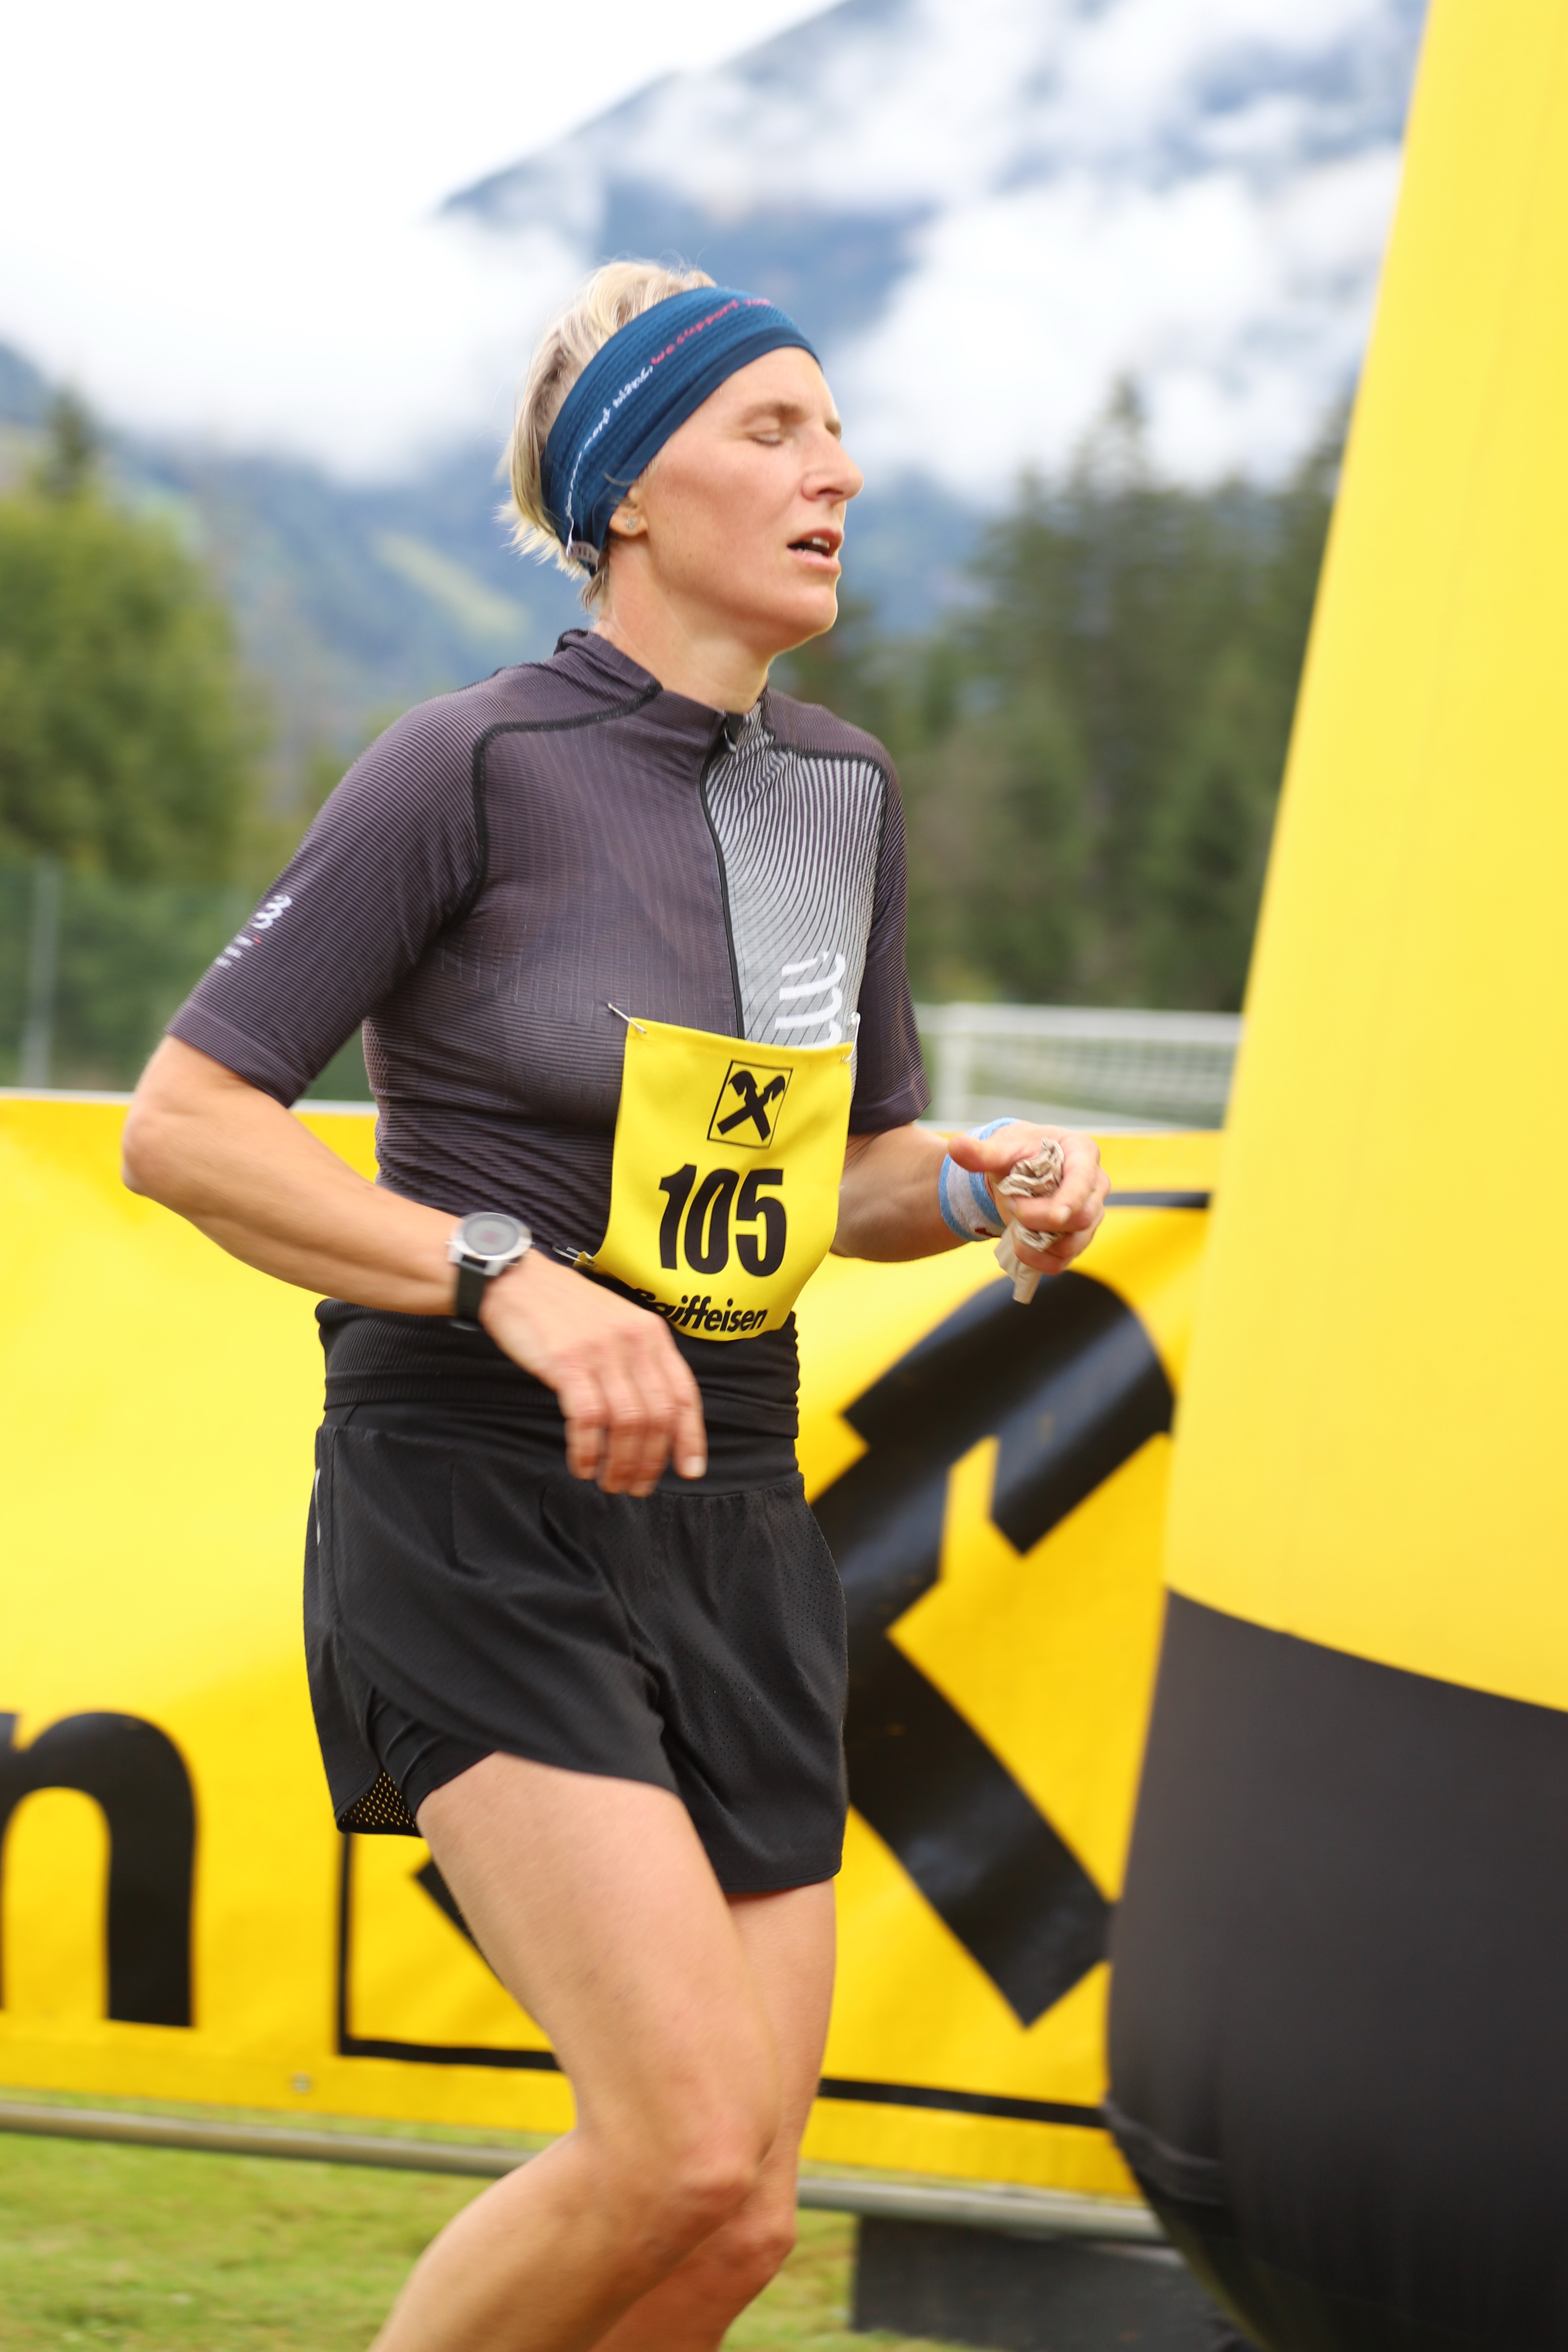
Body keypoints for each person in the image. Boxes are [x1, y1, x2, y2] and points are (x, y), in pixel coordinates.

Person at [124, 262, 1109, 2352]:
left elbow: (838, 1175)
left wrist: (977, 1179)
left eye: (836, 430)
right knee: (668, 2150)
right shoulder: (468, 765)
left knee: (731, 2219)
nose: (836, 470)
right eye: (771, 427)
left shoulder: (840, 793)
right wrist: (506, 1279)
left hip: (734, 1517)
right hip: (478, 1504)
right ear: (627, 493)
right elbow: (186, 1128)